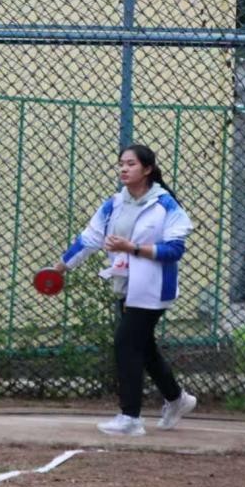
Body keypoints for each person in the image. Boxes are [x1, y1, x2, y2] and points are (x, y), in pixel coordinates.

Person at [50, 144, 197, 436]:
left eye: (131, 164)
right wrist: (60, 267)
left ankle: (130, 418)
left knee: (125, 344)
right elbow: (89, 239)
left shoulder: (166, 205)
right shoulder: (114, 204)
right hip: (126, 285)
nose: (124, 169)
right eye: (121, 164)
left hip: (154, 287)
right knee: (143, 347)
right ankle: (177, 398)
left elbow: (174, 250)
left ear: (148, 169)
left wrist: (133, 248)